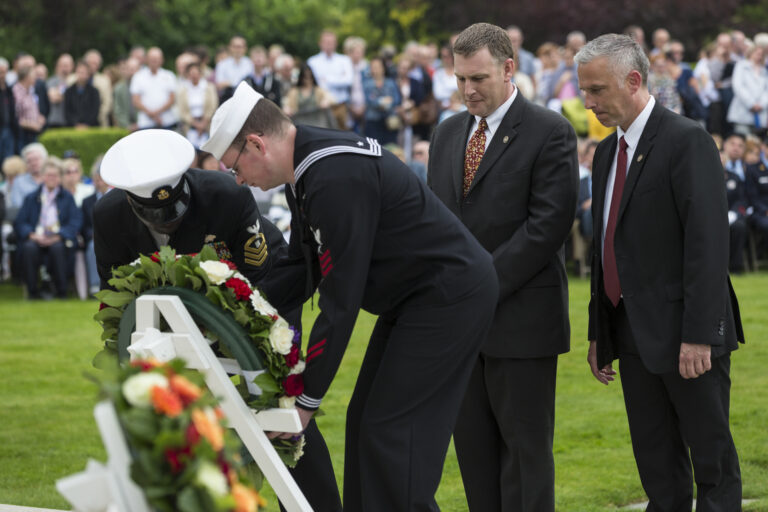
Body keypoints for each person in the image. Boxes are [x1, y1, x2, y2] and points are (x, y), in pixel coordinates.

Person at [202, 81, 498, 512]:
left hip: (448, 297)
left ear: (255, 144)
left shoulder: (332, 174)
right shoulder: (308, 170)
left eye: (235, 167)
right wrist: (230, 310)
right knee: (365, 424)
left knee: (393, 436)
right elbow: (301, 267)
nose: (240, 180)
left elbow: (340, 298)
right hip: (418, 298)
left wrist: (307, 400)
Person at [94, 128, 342, 512]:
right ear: (130, 202)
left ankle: (316, 505)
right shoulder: (108, 216)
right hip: (175, 315)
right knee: (175, 412)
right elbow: (118, 294)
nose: (168, 223)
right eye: (155, 216)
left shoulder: (226, 196)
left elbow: (259, 287)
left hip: (265, 294)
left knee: (279, 407)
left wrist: (235, 351)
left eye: (174, 211)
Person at [576, 33, 743, 511]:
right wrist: (600, 333)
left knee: (712, 461)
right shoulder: (606, 154)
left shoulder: (686, 140)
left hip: (686, 335)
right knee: (655, 462)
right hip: (631, 334)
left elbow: (708, 245)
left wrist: (699, 335)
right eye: (584, 91)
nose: (588, 104)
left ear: (632, 81)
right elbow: (607, 249)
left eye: (597, 90)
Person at [428, 23, 578, 511]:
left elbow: (547, 227)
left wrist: (478, 285)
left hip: (522, 323)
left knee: (525, 457)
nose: (468, 90)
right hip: (460, 331)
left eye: (479, 78)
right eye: (460, 80)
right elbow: (437, 223)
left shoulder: (549, 131)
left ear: (509, 69)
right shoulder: (448, 133)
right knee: (473, 456)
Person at [14, 157, 81, 299]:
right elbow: (20, 222)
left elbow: (75, 221)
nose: (52, 178)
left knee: (58, 248)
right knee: (28, 248)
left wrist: (58, 236)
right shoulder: (31, 197)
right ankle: (32, 292)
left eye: (55, 175)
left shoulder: (67, 198)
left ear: (60, 178)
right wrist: (33, 235)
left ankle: (61, 291)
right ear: (43, 176)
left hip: (58, 238)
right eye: (49, 175)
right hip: (36, 237)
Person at [130, 47, 177, 130]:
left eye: (156, 59)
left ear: (162, 60)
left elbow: (172, 99)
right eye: (152, 59)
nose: (154, 62)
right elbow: (135, 100)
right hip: (145, 123)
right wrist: (152, 115)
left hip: (167, 121)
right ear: (146, 60)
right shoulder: (138, 76)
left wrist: (157, 113)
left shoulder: (169, 76)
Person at [64, 60, 101, 128]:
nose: (81, 75)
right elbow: (67, 112)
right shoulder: (69, 91)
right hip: (72, 127)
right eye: (80, 72)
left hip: (91, 127)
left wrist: (86, 124)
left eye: (84, 73)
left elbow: (95, 111)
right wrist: (75, 124)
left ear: (88, 74)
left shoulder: (94, 92)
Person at [0, 57, 18, 163]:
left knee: (8, 159)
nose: (2, 75)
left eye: (4, 72)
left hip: (9, 128)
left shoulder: (9, 89)